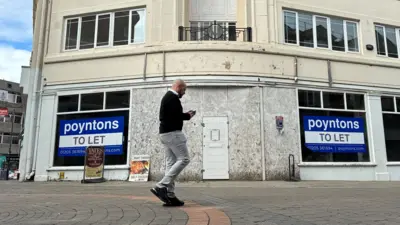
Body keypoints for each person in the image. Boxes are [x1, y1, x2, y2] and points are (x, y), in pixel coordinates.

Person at [150, 79, 195, 207]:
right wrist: (187, 116)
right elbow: (175, 116)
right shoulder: (172, 98)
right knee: (184, 159)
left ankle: (170, 195)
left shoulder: (168, 97)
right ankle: (161, 186)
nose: (184, 93)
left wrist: (186, 115)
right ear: (179, 87)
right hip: (172, 133)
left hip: (165, 134)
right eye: (184, 90)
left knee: (171, 163)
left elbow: (172, 115)